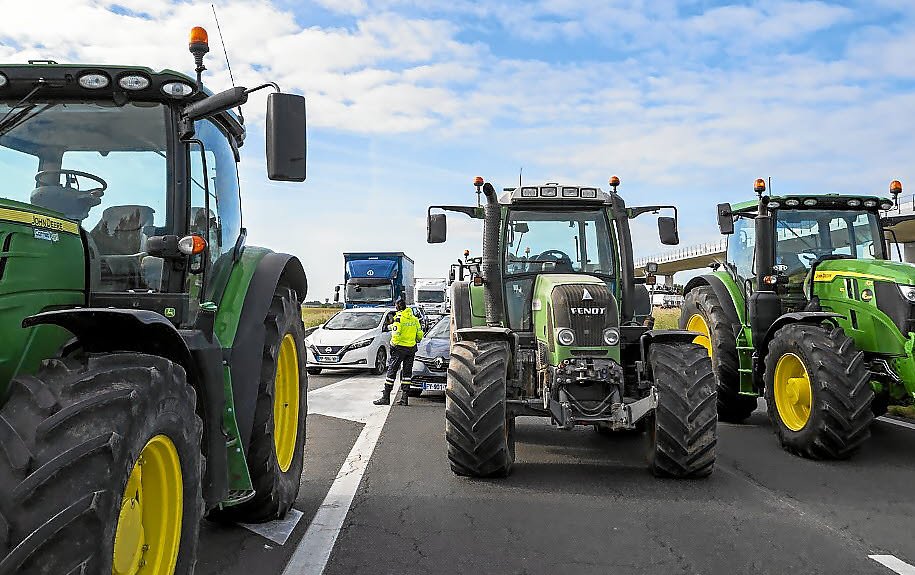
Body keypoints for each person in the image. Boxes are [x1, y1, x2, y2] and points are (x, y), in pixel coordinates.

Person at [373, 298, 424, 406]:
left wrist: (392, 345)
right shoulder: (414, 319)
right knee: (407, 374)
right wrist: (413, 341)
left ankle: (386, 397)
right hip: (411, 349)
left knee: (391, 372)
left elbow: (396, 334)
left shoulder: (399, 319)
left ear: (397, 307)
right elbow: (419, 335)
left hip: (399, 349)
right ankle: (404, 399)